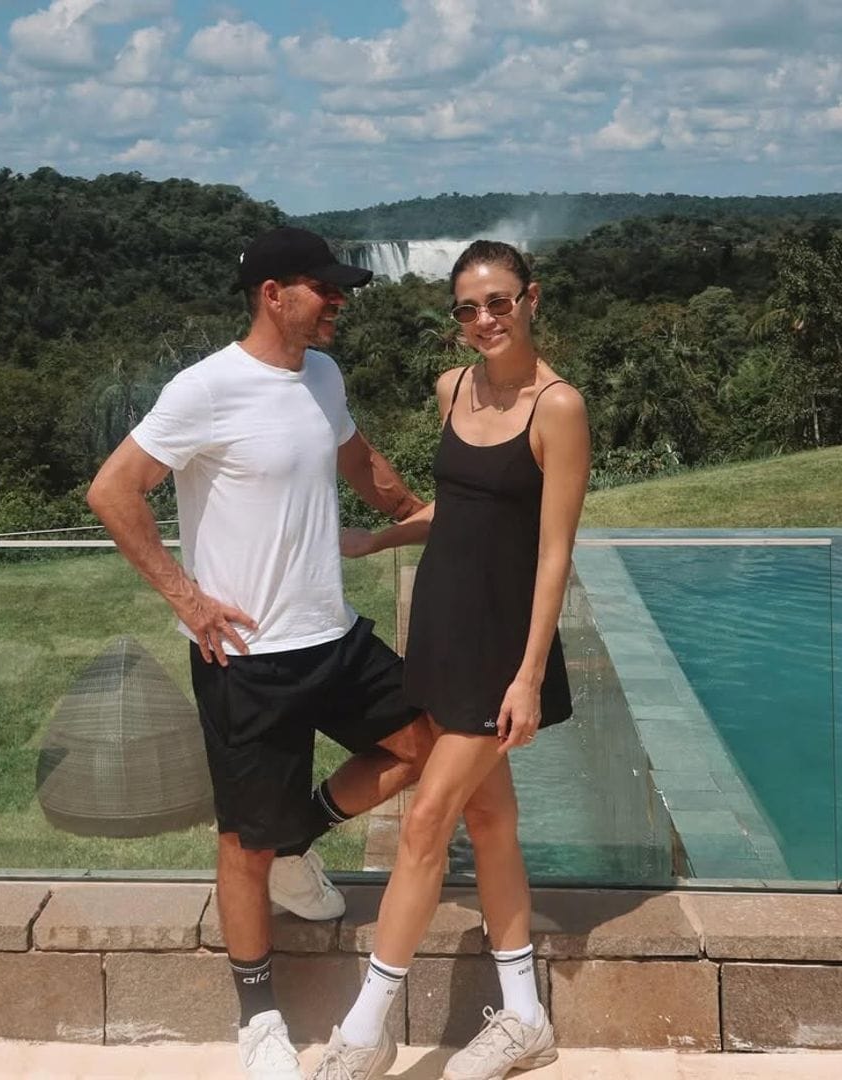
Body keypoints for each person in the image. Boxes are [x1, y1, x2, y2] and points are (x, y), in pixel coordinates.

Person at [86, 226, 432, 1080]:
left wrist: (419, 514)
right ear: (274, 295)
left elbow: (360, 461)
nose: (339, 299)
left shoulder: (323, 375)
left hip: (333, 636)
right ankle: (258, 1017)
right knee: (243, 841)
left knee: (428, 742)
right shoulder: (206, 389)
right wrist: (187, 598)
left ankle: (297, 839)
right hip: (247, 658)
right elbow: (113, 489)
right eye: (324, 287)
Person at [309, 240, 590, 1080]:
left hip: (501, 647)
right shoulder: (453, 388)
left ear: (531, 299)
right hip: (440, 630)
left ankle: (364, 1034)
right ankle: (526, 1018)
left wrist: (529, 676)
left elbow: (554, 550)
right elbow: (460, 507)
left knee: (426, 821)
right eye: (468, 308)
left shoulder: (559, 407)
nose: (484, 320)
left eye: (499, 302)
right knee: (490, 822)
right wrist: (380, 538)